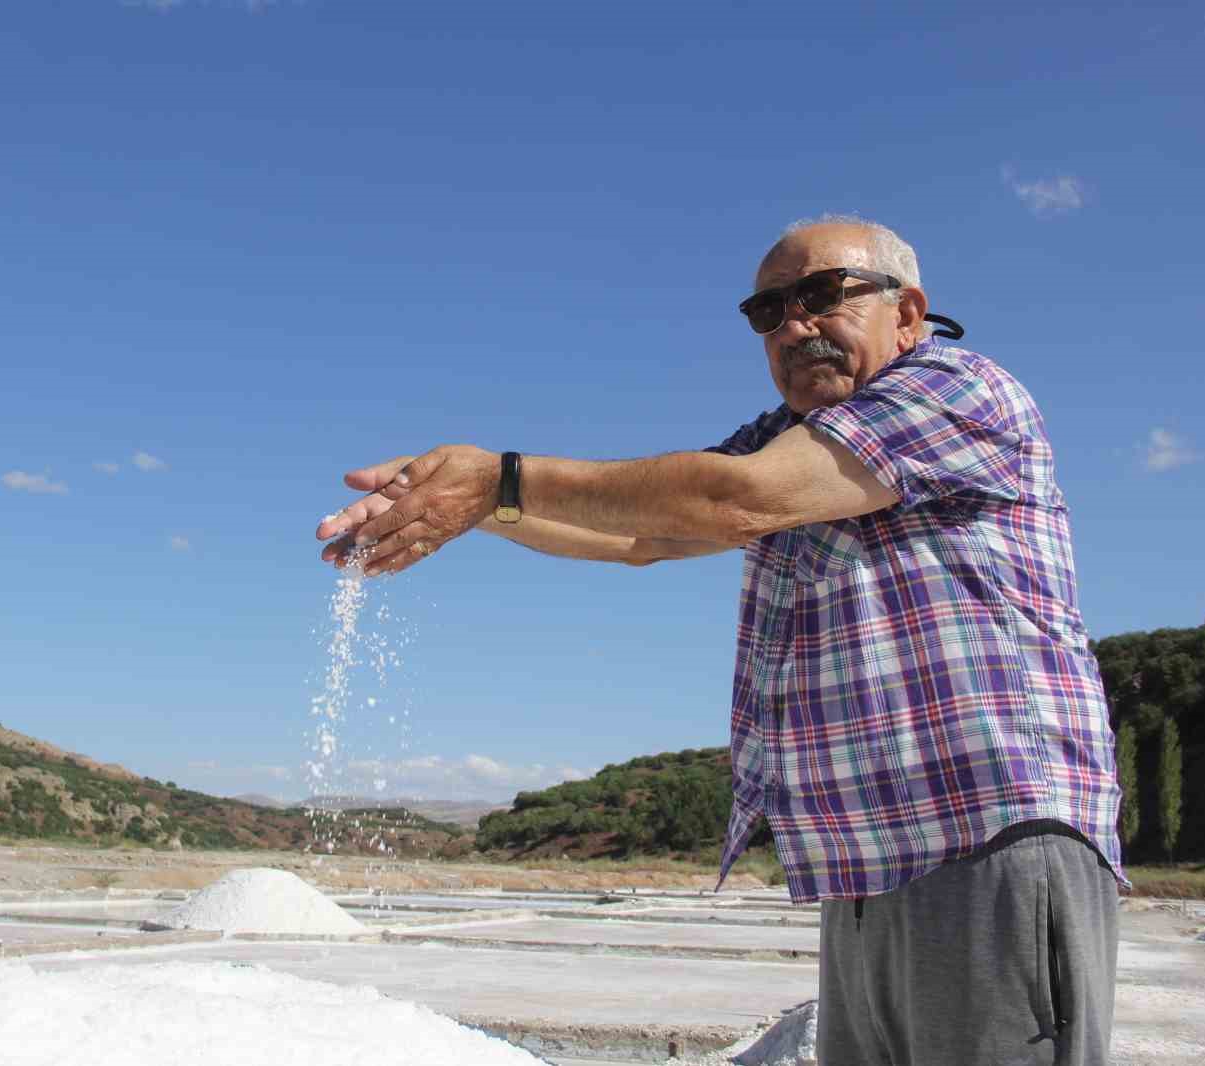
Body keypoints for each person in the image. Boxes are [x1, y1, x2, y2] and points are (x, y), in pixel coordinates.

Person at [316, 216, 1124, 1066]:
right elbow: (643, 534)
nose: (794, 325)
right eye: (767, 312)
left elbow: (733, 498)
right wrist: (474, 505)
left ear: (908, 312)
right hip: (868, 863)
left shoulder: (955, 390)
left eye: (820, 296)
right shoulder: (784, 437)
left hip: (988, 839)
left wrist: (500, 476)